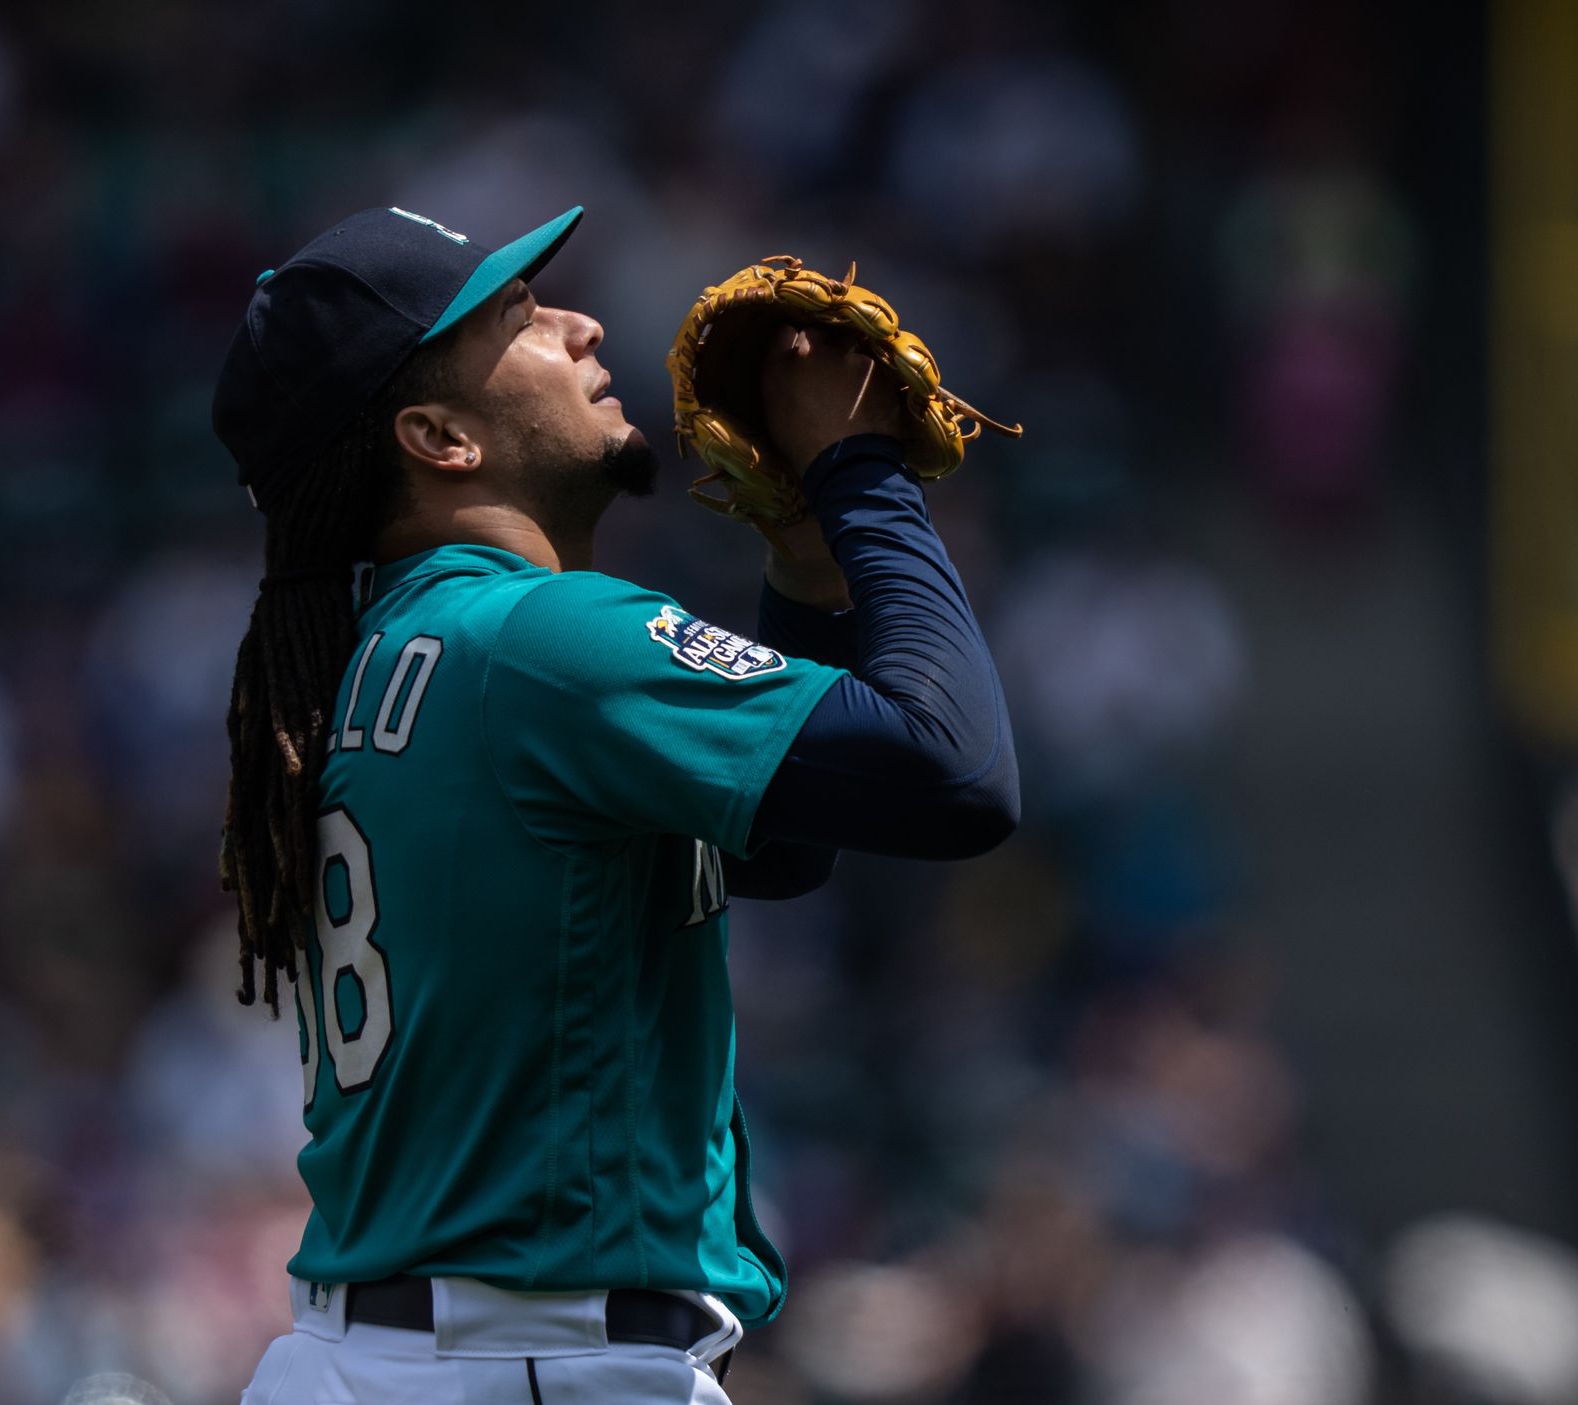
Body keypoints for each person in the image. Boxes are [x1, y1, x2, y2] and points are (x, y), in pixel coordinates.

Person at [211, 203, 1018, 1405]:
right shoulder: (537, 640)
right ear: (438, 436)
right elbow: (953, 774)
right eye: (520, 317)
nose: (585, 325)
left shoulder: (388, 656)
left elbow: (783, 849)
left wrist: (804, 563)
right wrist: (862, 471)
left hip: (396, 1352)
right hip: (535, 1361)